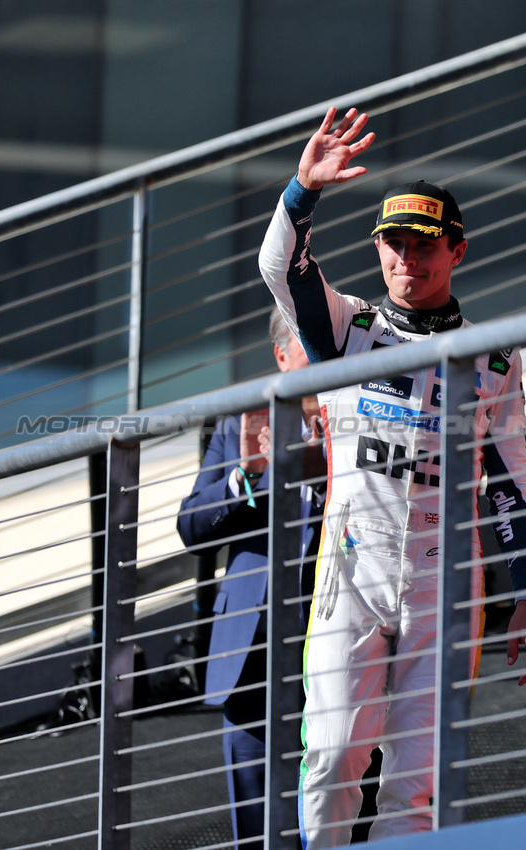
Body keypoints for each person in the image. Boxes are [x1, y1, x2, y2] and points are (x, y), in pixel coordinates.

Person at [257, 106, 526, 845]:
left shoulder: (495, 357)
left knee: (417, 783)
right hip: (351, 568)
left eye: (424, 245)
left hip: (445, 580)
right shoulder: (347, 328)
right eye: (394, 244)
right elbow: (278, 268)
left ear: (457, 251)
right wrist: (302, 191)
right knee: (331, 759)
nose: (406, 259)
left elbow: (511, 479)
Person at [177, 308, 325, 848]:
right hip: (251, 657)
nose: (326, 347)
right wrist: (246, 477)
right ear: (280, 355)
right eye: (308, 339)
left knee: (339, 816)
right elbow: (193, 526)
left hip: (337, 644)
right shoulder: (242, 421)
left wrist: (324, 470)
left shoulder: (360, 415)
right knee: (257, 829)